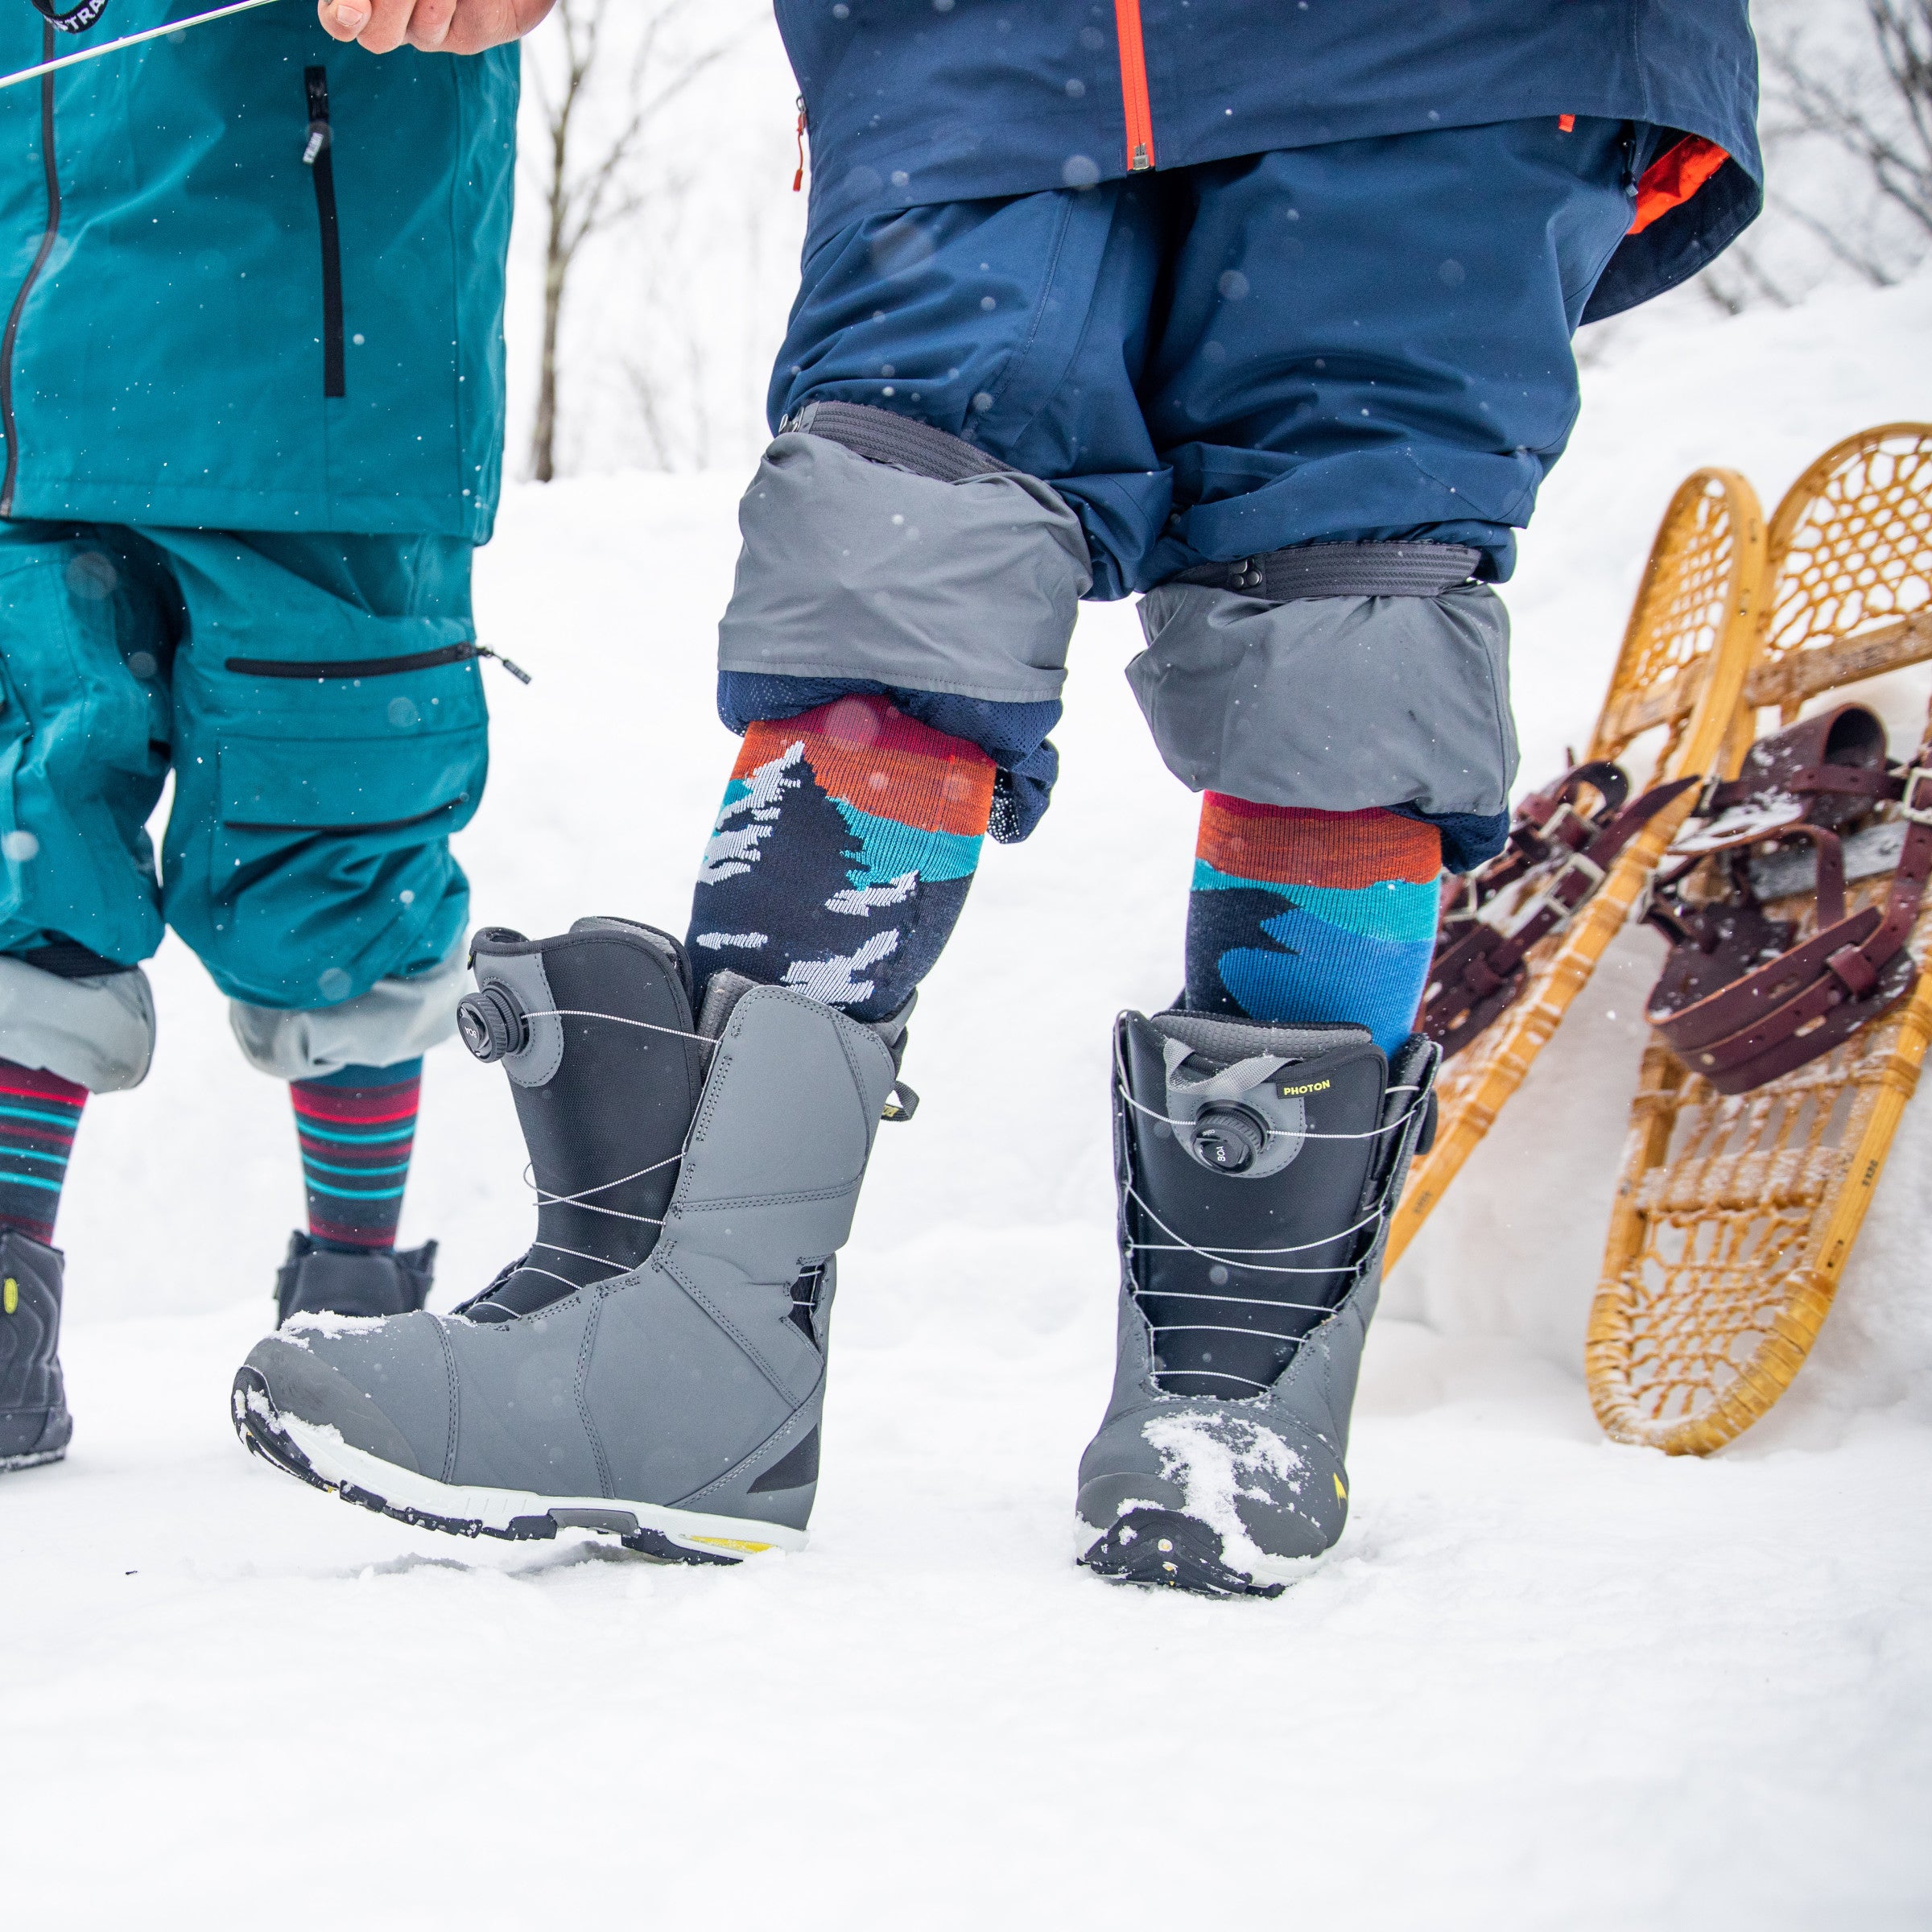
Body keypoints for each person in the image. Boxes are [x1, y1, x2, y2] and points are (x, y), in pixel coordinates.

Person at [235, 3, 1760, 1596]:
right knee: (889, 533)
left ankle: (1235, 1390)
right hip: (977, 37)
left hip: (1446, 38)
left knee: (1349, 589)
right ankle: (686, 1342)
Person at [0, 0, 529, 1475]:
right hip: (23, 378)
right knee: (22, 825)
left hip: (322, 372)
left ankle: (353, 1303)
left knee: (335, 844)